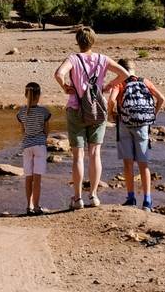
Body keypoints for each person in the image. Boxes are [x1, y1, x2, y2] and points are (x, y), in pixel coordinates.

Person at [54, 28, 130, 210]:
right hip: (98, 108)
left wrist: (65, 87)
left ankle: (78, 198)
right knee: (95, 153)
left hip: (76, 108)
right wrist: (108, 86)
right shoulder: (103, 59)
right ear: (93, 41)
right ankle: (94, 196)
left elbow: (58, 74)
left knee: (77, 155)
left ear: (78, 41)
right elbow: (125, 75)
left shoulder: (73, 59)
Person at [110, 57, 165, 210]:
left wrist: (111, 114)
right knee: (143, 164)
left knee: (128, 163)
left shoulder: (120, 83)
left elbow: (111, 101)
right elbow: (161, 98)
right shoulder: (145, 82)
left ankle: (131, 197)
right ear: (134, 68)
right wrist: (153, 115)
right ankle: (147, 200)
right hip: (142, 125)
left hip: (124, 124)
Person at [15, 82, 51, 215]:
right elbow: (46, 130)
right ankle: (36, 206)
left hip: (27, 146)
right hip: (40, 146)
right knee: (37, 179)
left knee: (28, 178)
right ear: (39, 95)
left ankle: (28, 206)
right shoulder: (44, 112)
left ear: (25, 94)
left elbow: (22, 130)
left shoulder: (21, 112)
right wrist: (42, 139)